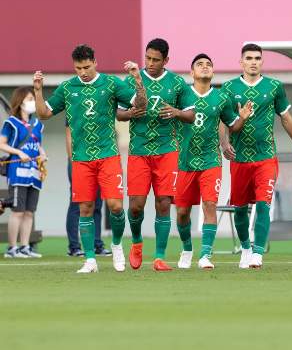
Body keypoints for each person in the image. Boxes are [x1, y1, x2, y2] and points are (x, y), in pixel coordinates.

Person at [33, 44, 146, 273]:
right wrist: (37, 90)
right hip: (81, 159)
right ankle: (90, 260)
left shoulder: (112, 83)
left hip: (108, 155)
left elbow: (140, 104)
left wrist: (137, 80)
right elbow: (44, 113)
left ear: (95, 62)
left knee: (115, 206)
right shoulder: (67, 88)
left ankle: (116, 246)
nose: (83, 72)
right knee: (85, 208)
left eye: (86, 66)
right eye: (78, 68)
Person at [220, 43, 292, 269]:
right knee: (239, 209)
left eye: (257, 58)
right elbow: (223, 120)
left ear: (262, 62)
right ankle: (246, 248)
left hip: (266, 157)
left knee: (263, 205)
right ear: (241, 62)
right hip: (240, 159)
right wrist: (225, 142)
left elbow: (286, 118)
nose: (253, 62)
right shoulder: (229, 88)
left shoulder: (274, 87)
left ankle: (258, 253)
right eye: (249, 58)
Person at [117, 38, 196, 272]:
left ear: (166, 60)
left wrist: (176, 112)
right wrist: (131, 112)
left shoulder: (177, 83)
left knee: (163, 203)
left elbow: (191, 115)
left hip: (167, 150)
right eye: (148, 58)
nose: (150, 63)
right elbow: (118, 113)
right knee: (135, 207)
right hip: (139, 151)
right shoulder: (132, 79)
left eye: (156, 60)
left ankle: (160, 257)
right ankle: (137, 242)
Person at [175, 54, 252, 270]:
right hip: (184, 162)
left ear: (213, 71)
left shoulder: (220, 98)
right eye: (200, 64)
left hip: (211, 161)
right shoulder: (182, 95)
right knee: (182, 213)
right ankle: (187, 249)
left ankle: (205, 255)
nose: (205, 67)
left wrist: (242, 117)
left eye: (208, 64)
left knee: (209, 205)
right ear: (192, 72)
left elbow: (231, 124)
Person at [1, 87, 46, 259]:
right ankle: (12, 248)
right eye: (29, 99)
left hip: (34, 172)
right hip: (18, 171)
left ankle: (25, 246)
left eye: (33, 99)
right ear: (20, 102)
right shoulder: (11, 122)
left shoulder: (37, 124)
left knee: (29, 212)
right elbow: (2, 143)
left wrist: (42, 154)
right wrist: (19, 153)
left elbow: (38, 145)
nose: (32, 102)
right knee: (18, 211)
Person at [65, 126, 110, 257]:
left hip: (98, 159)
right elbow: (69, 135)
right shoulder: (73, 105)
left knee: (97, 203)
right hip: (79, 160)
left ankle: (97, 244)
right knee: (77, 204)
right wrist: (72, 159)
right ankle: (74, 246)